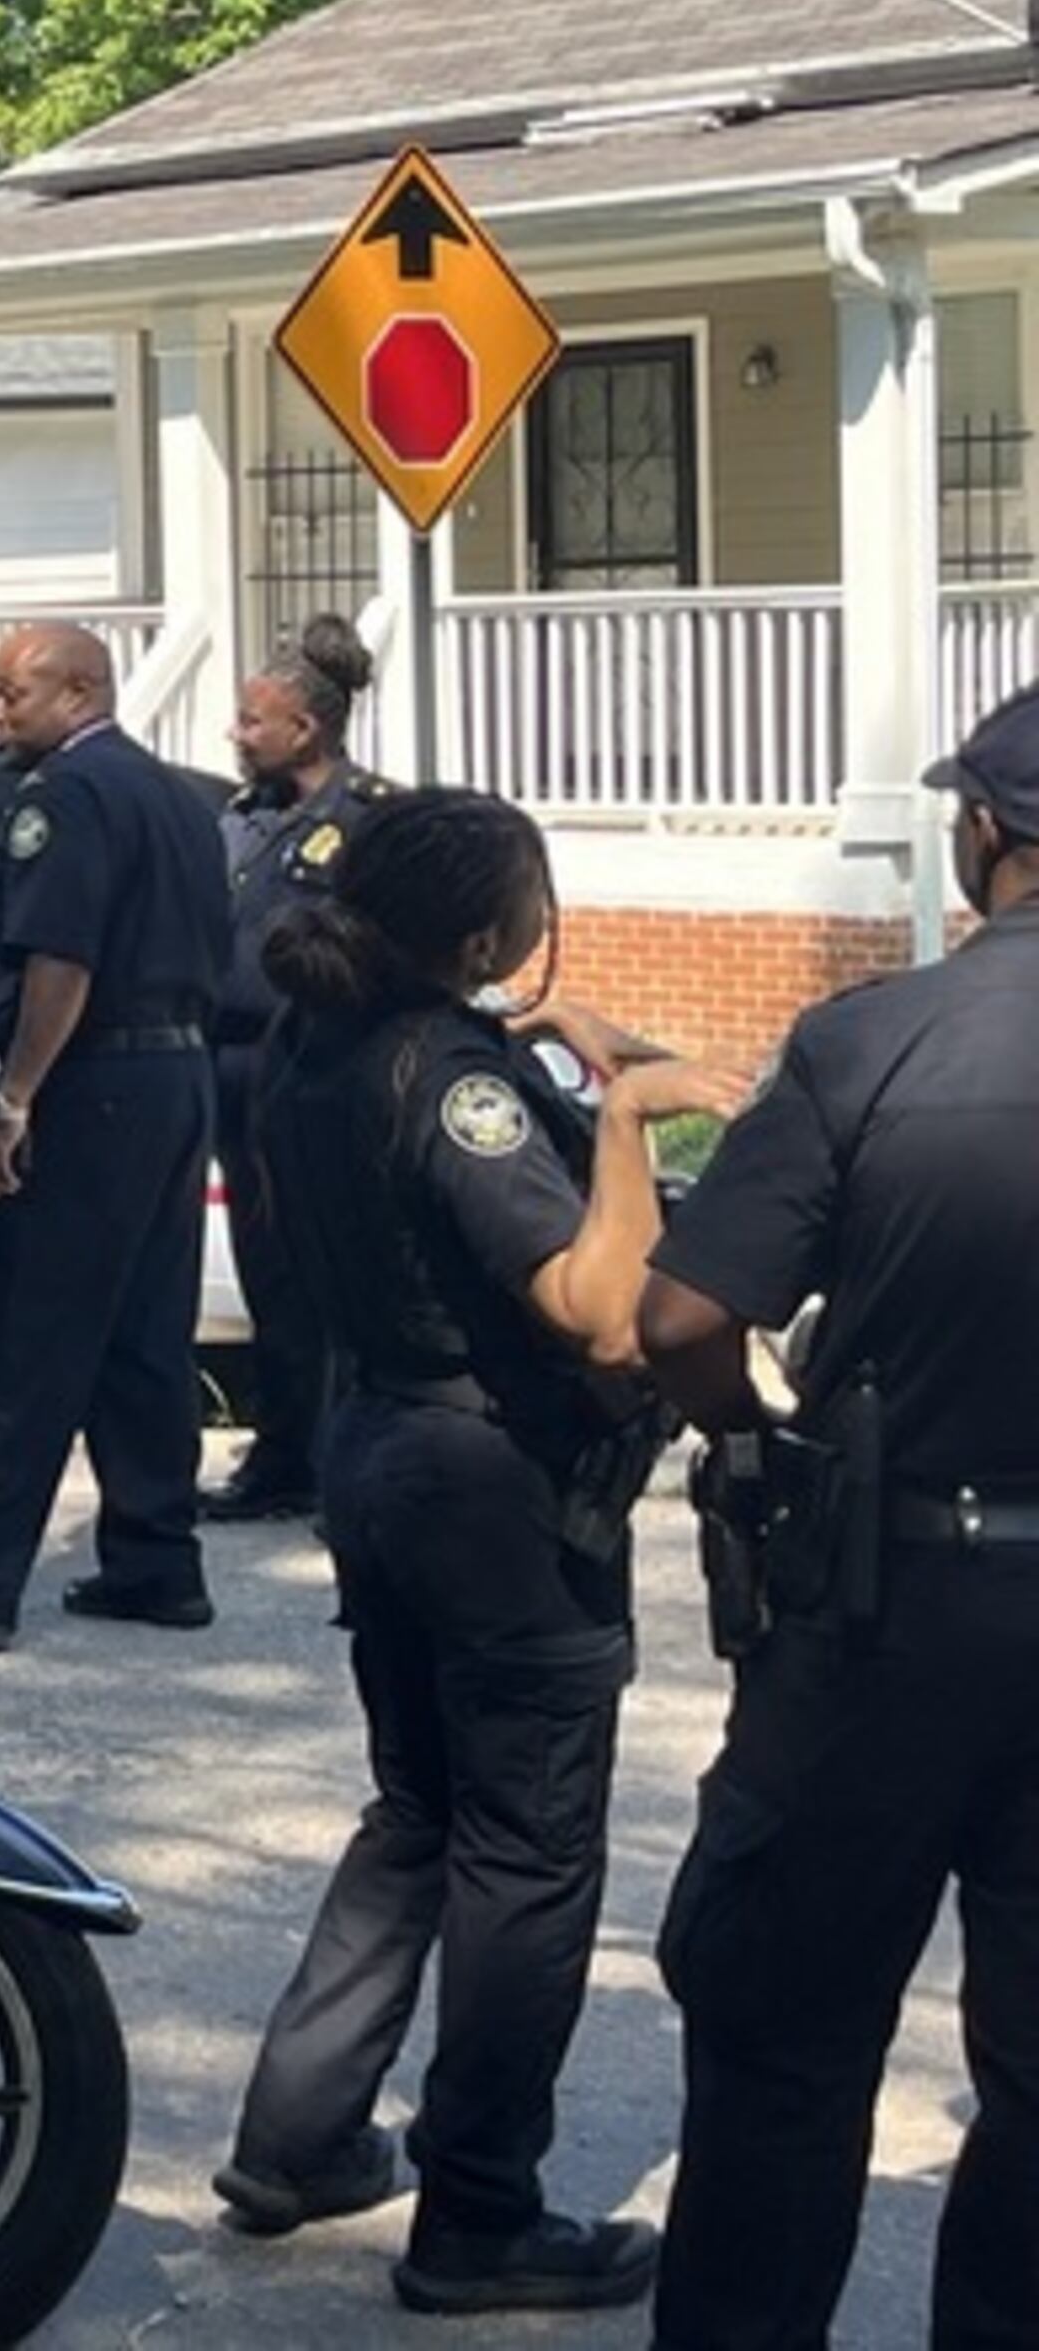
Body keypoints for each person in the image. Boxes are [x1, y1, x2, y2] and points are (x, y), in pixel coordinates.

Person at [212, 788, 733, 2317]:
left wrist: (535, 1042)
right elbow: (596, 1311)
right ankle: (481, 2213)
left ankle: (298, 2137)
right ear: (486, 934)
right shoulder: (454, 1085)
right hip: (495, 1494)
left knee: (420, 1814)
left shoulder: (319, 1038)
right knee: (527, 1857)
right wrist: (622, 1118)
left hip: (380, 1450)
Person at [633, 682, 1039, 2351]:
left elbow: (681, 1320)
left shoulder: (871, 1040)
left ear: (988, 836)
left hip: (887, 1609)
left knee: (783, 2043)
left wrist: (756, 1432)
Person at [0, 622, 228, 1652]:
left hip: (88, 1079)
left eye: (13, 692)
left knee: (15, 1330)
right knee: (145, 1334)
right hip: (175, 1076)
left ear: (79, 692)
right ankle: (157, 1562)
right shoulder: (178, 797)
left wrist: (13, 1100)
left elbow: (63, 958)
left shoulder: (64, 797)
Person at [202, 615, 396, 1522]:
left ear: (305, 727)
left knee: (338, 1271)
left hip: (323, 1067)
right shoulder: (245, 816)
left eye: (252, 721)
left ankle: (348, 1466)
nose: (236, 735)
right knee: (269, 1271)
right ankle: (285, 1460)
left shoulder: (370, 820)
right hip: (238, 1070)